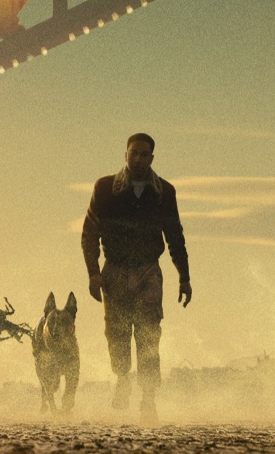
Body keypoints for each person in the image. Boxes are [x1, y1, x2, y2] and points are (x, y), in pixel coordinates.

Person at [81, 133, 192, 425]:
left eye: (144, 155)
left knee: (148, 334)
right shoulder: (105, 188)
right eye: (134, 153)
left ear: (152, 158)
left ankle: (148, 399)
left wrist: (184, 277)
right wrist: (93, 272)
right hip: (115, 269)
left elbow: (175, 236)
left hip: (148, 271)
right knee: (116, 333)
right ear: (126, 155)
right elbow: (90, 233)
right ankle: (122, 378)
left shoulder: (164, 192)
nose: (139, 159)